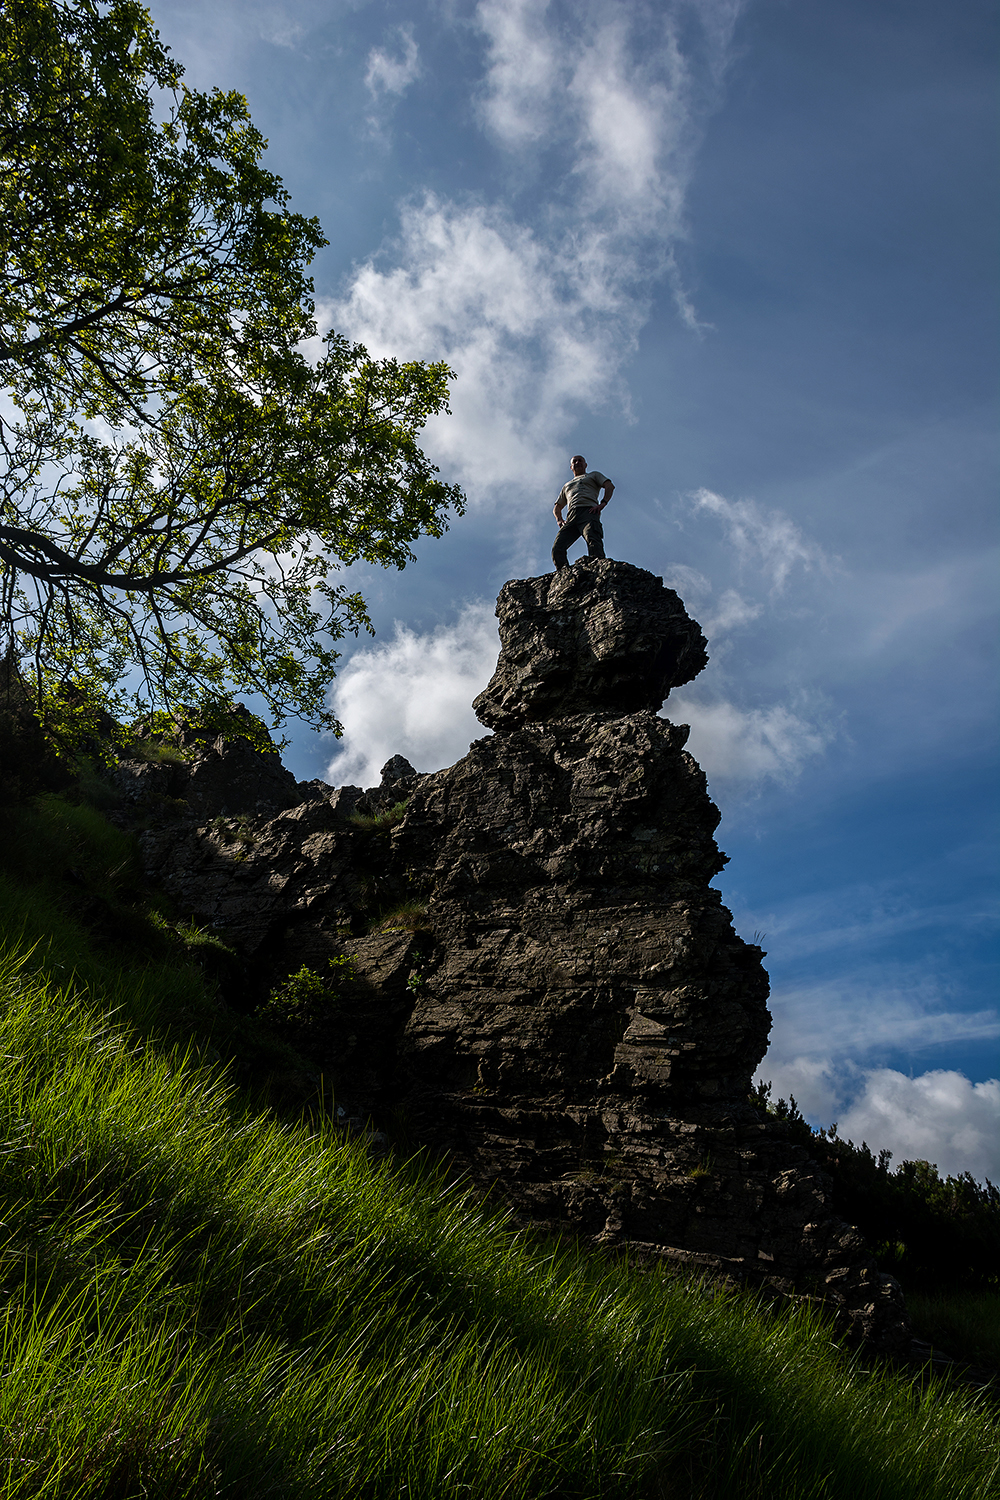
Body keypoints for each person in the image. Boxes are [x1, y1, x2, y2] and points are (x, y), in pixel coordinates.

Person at [552, 455, 615, 570]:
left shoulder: (593, 475)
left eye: (580, 460)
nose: (577, 463)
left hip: (589, 511)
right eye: (574, 461)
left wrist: (603, 503)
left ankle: (597, 568)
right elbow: (557, 506)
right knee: (557, 548)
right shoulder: (567, 485)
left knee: (593, 538)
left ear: (585, 465)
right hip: (571, 516)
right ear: (571, 467)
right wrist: (559, 520)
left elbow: (609, 486)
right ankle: (563, 574)